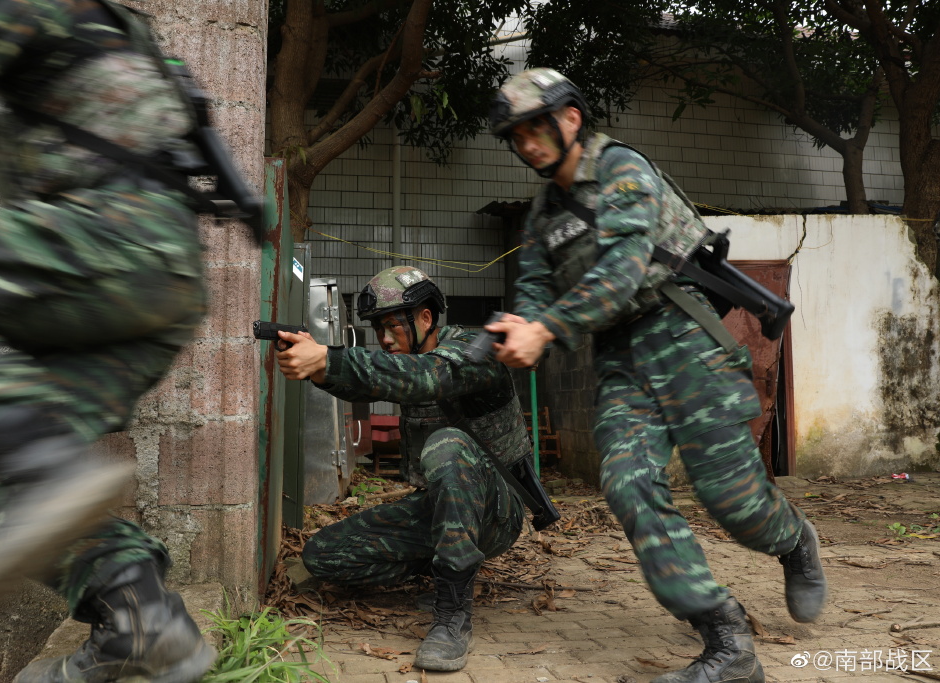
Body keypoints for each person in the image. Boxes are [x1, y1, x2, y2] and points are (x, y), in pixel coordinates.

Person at [485, 68, 827, 683]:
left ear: (570, 118)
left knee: (734, 502)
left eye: (536, 126)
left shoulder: (622, 169)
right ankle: (726, 639)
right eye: (516, 135)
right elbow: (534, 287)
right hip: (620, 358)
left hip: (684, 335)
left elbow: (621, 273)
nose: (527, 143)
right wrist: (519, 328)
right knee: (626, 482)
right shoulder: (542, 216)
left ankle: (793, 540)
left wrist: (546, 329)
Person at [0, 1, 220, 681]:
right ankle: (140, 617)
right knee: (3, 473)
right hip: (157, 288)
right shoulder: (88, 37)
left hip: (116, 243)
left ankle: (47, 463)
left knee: (29, 455)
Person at [275, 265, 528, 672]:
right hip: (442, 507)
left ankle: (452, 615)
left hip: (497, 512)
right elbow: (372, 381)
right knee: (323, 556)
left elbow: (429, 378)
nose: (384, 339)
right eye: (378, 329)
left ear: (425, 318)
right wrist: (318, 365)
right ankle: (444, 566)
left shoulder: (473, 353)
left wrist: (328, 360)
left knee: (449, 446)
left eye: (393, 326)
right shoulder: (408, 358)